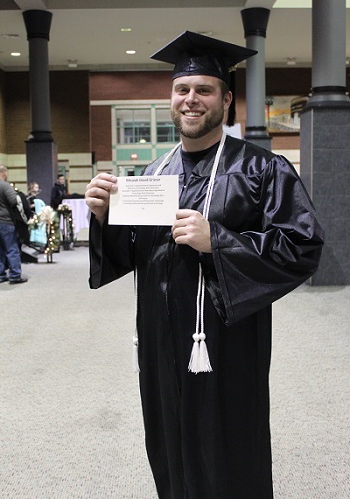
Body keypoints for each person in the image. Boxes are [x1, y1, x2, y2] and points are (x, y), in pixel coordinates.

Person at [85, 31, 324, 499]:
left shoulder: (262, 169)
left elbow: (303, 244)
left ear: (226, 99)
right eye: (182, 89)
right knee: (168, 438)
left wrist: (221, 242)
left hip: (224, 339)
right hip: (158, 336)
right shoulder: (154, 174)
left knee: (228, 444)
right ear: (171, 98)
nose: (191, 99)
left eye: (204, 90)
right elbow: (137, 253)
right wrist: (106, 218)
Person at [0, 165, 28, 284]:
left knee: (0, 250)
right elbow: (14, 201)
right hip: (6, 222)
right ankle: (15, 275)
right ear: (4, 173)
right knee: (12, 248)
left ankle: (1, 275)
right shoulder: (5, 186)